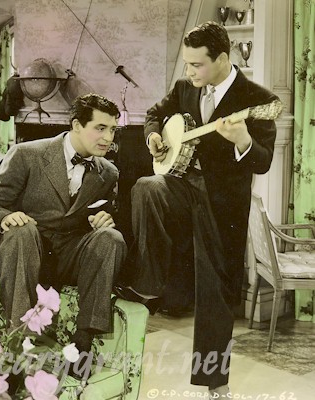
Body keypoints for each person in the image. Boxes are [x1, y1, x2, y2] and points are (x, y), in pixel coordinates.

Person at [120, 21, 279, 397]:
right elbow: (155, 114)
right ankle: (148, 282)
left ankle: (215, 383)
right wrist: (153, 135)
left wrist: (243, 140)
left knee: (215, 294)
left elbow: (263, 161)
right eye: (187, 64)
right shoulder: (184, 88)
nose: (189, 71)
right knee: (146, 187)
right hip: (181, 187)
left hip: (223, 207)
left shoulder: (257, 98)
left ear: (222, 59)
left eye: (197, 64)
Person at [0, 94, 127, 367]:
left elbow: (99, 214)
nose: (108, 138)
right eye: (100, 128)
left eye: (113, 130)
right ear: (77, 125)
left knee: (111, 238)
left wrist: (104, 219)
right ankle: (19, 340)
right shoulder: (26, 154)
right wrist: (7, 216)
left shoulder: (109, 172)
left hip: (68, 255)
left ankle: (84, 341)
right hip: (27, 250)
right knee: (22, 229)